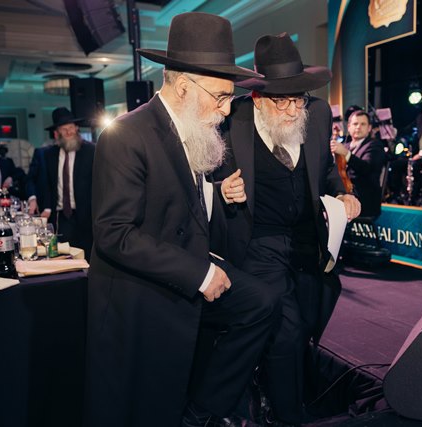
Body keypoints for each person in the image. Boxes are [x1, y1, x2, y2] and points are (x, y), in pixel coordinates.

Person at [83, 12, 280, 427]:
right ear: (185, 87)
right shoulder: (126, 134)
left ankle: (204, 409)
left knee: (262, 303)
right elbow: (114, 235)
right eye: (221, 96)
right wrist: (199, 273)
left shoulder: (195, 127)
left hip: (188, 264)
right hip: (143, 289)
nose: (226, 110)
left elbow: (179, 201)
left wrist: (218, 193)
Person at [214, 32, 361, 426]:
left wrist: (343, 193)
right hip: (259, 240)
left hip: (309, 240)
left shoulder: (318, 114)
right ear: (259, 98)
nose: (294, 110)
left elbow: (326, 170)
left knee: (310, 317)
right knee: (287, 328)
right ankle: (287, 415)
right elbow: (206, 172)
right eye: (283, 101)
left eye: (299, 99)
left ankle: (269, 384)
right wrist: (223, 189)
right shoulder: (234, 118)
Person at [26, 107, 94, 258]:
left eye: (71, 127)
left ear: (77, 128)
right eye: (64, 129)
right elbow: (45, 184)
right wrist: (41, 203)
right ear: (57, 133)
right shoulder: (49, 154)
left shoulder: (91, 151)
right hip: (62, 217)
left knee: (88, 256)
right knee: (64, 257)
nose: (69, 132)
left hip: (87, 215)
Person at [331, 110, 387, 218]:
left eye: (363, 124)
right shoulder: (345, 145)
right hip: (344, 199)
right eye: (355, 124)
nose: (358, 127)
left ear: (369, 128)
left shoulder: (375, 145)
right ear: (349, 127)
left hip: (365, 201)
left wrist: (346, 153)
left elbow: (367, 168)